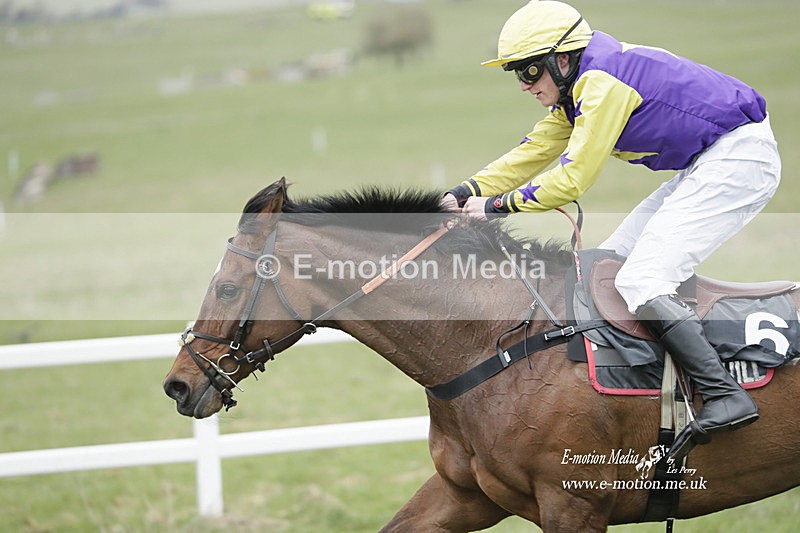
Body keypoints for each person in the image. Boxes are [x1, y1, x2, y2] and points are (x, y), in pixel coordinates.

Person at [442, 0, 781, 460]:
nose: (524, 85)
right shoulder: (579, 85)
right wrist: (467, 189)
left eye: (528, 71)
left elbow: (572, 178)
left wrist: (497, 206)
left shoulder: (601, 84)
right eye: (515, 74)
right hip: (706, 163)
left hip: (738, 161)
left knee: (642, 280)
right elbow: (535, 149)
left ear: (562, 59)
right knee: (607, 266)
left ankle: (724, 393)